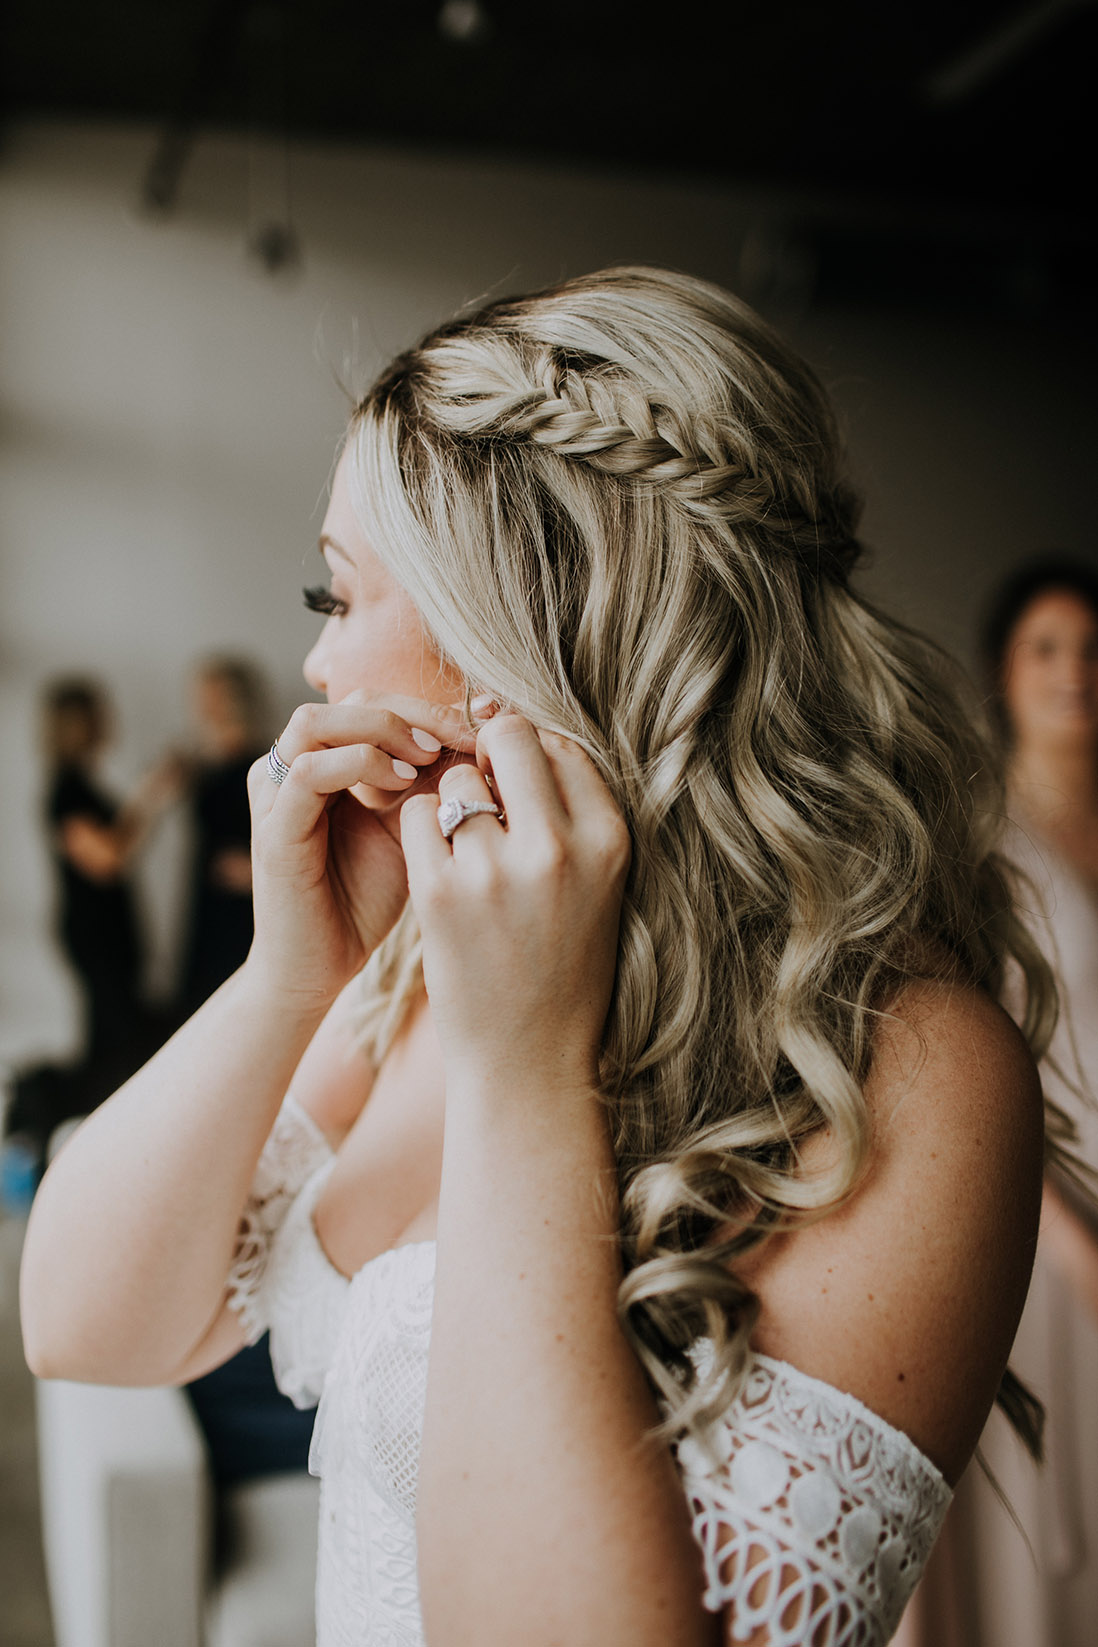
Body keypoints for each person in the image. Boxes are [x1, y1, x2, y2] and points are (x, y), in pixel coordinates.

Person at [20, 268, 1063, 1646]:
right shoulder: (401, 971)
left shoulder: (905, 1055)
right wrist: (289, 974)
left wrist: (522, 1070)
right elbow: (84, 1324)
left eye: (338, 595)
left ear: (524, 628)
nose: (319, 665)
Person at [897, 559, 1098, 1647]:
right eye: (1047, 650)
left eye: (1092, 649)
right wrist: (1066, 1243)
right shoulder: (979, 841)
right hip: (1038, 1213)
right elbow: (974, 1050)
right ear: (1003, 675)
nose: (1076, 674)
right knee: (1036, 1495)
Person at [40, 676, 174, 1086]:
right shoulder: (66, 790)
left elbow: (119, 844)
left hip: (108, 930)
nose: (107, 721)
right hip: (94, 934)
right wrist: (152, 794)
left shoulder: (84, 784)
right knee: (116, 1043)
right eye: (98, 714)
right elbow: (108, 858)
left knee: (116, 1036)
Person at [176, 655, 269, 1018]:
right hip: (206, 902)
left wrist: (255, 872)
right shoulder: (203, 765)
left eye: (210, 695)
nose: (201, 705)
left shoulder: (260, 763)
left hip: (239, 907)